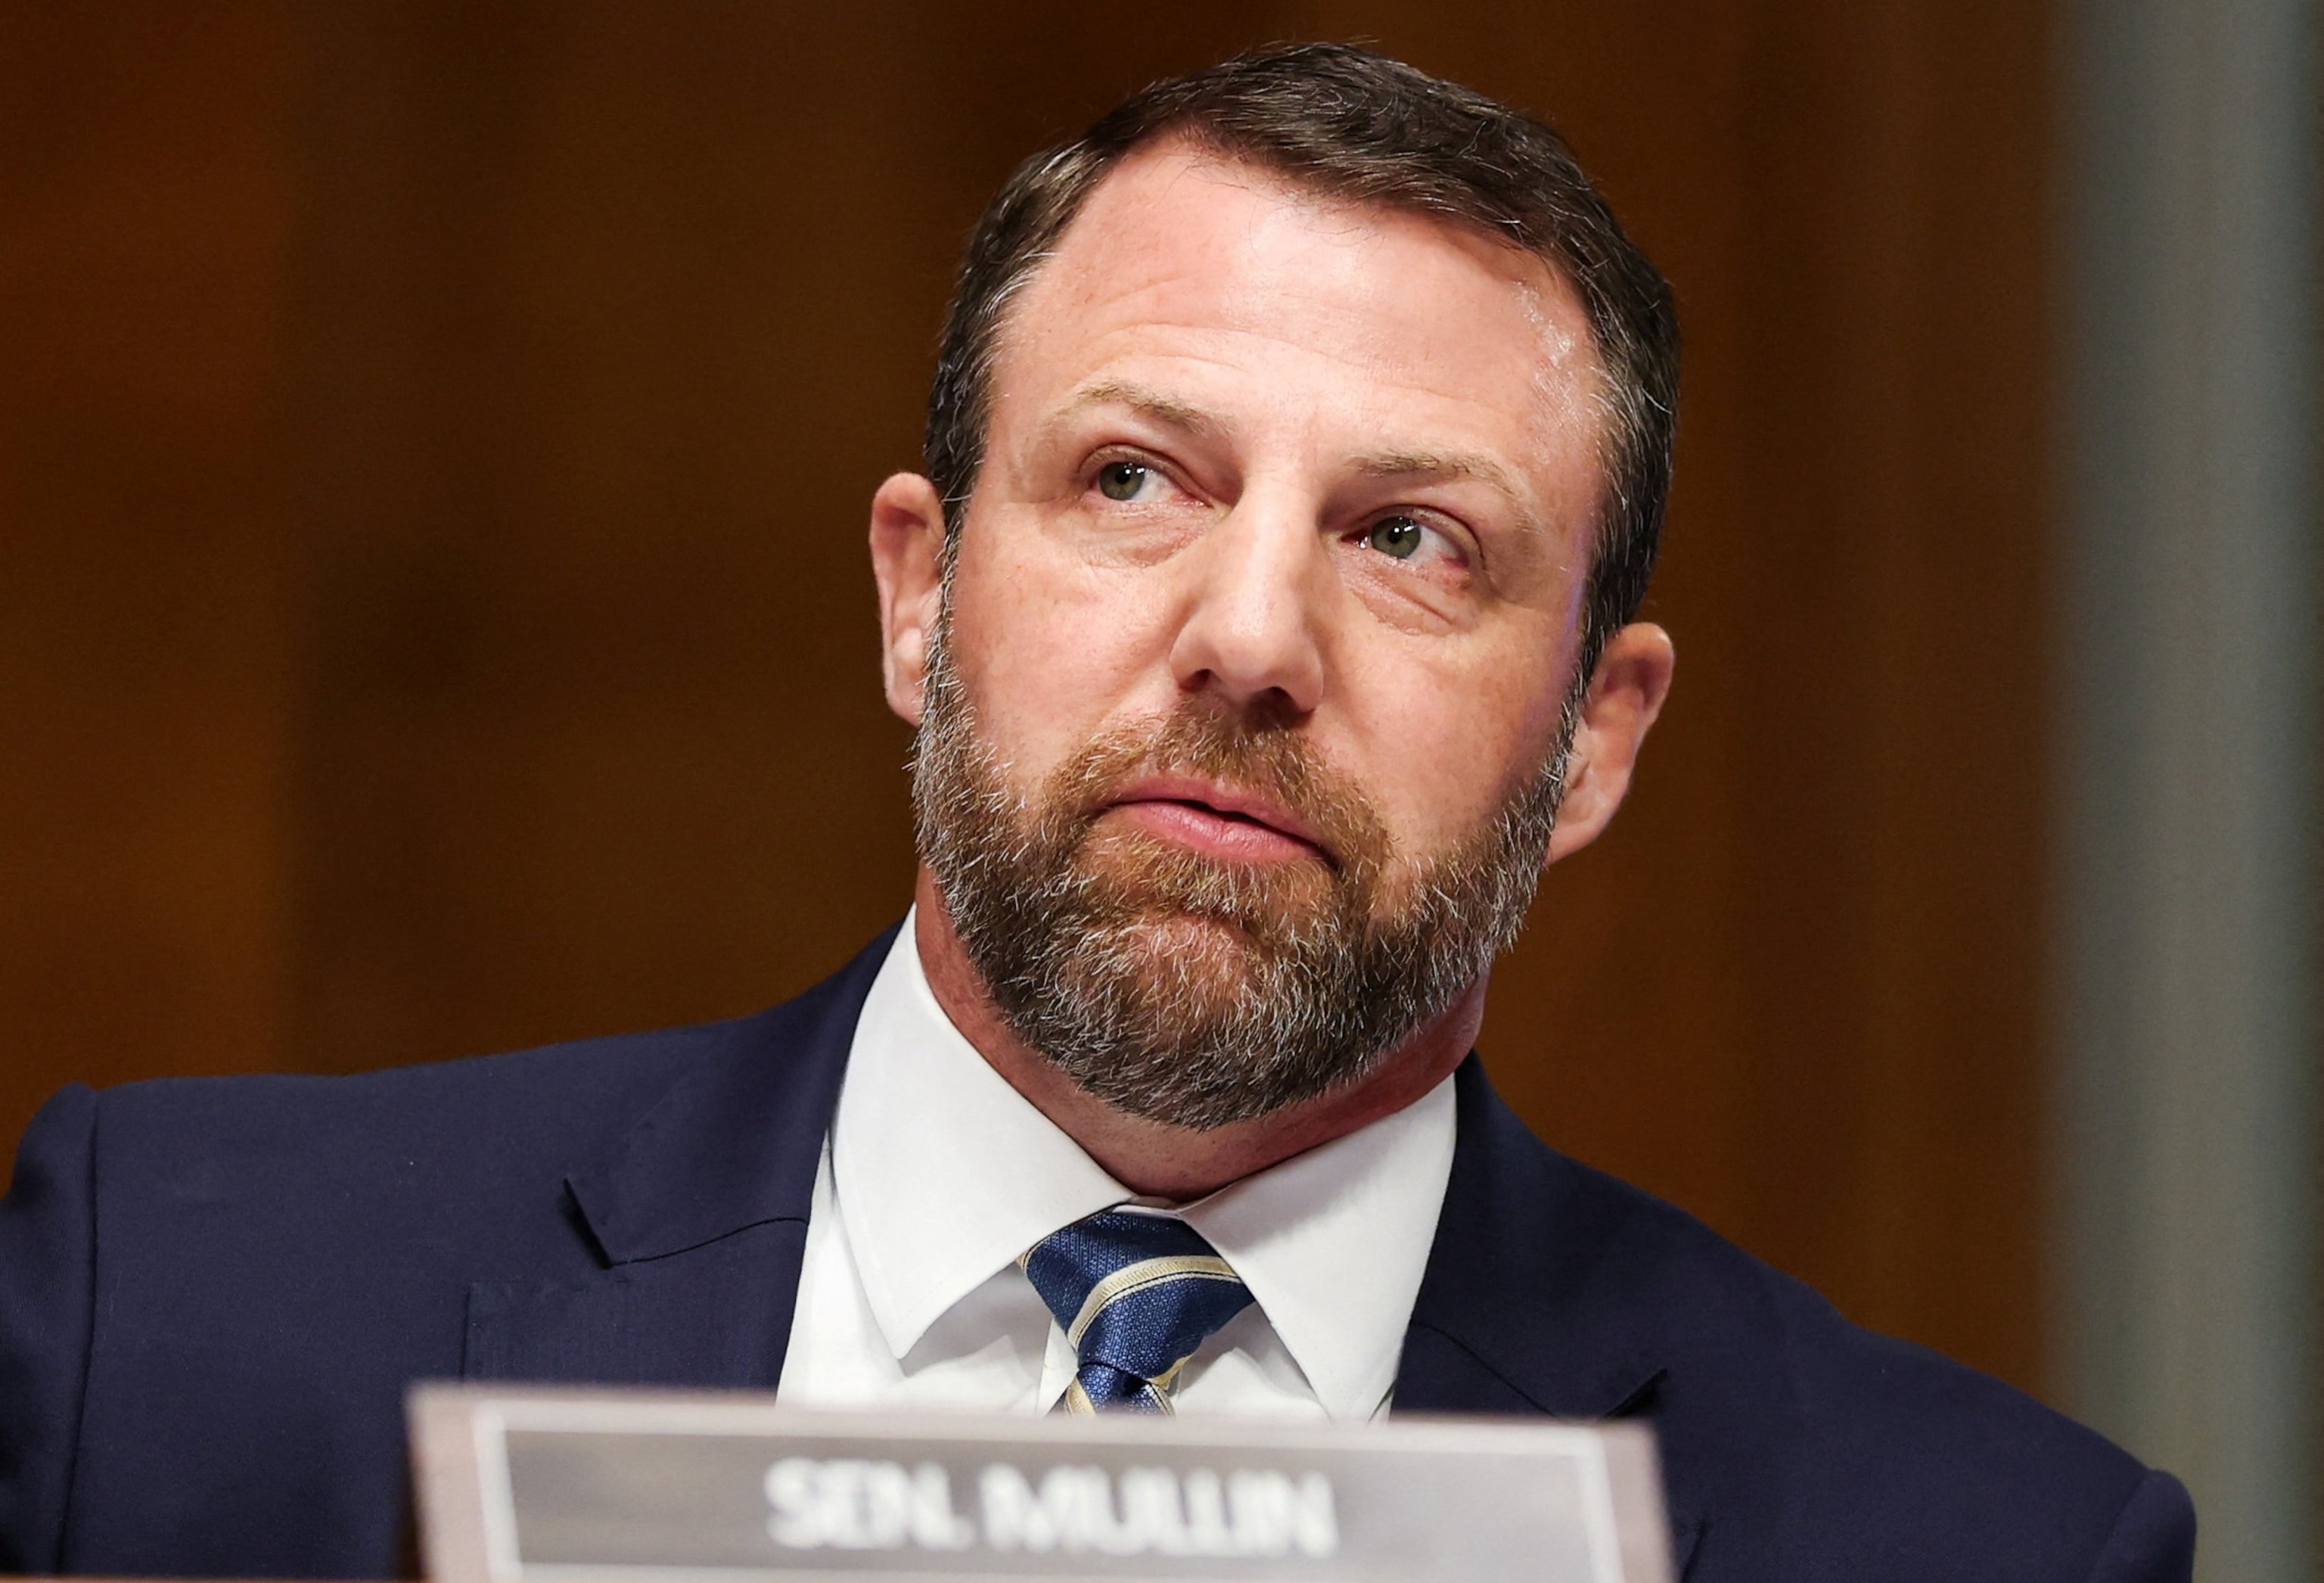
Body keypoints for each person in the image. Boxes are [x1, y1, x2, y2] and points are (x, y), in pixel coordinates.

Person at [0, 42, 2192, 1583]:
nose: (1250, 637)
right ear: (918, 594)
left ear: (1596, 741)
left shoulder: (1973, 1544)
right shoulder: (170, 1311)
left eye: (1414, 537)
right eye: (1134, 479)